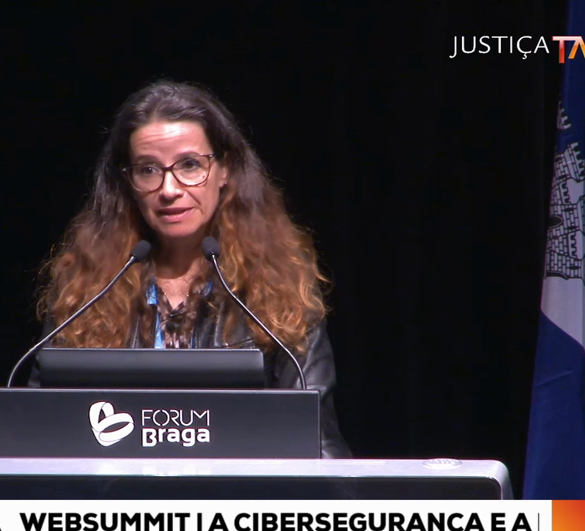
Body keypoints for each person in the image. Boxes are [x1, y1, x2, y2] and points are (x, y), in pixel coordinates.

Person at [31, 80, 351, 458]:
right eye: (148, 169)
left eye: (189, 165)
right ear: (128, 181)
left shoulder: (281, 288)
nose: (169, 189)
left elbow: (318, 441)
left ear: (224, 169)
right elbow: (38, 429)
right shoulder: (86, 289)